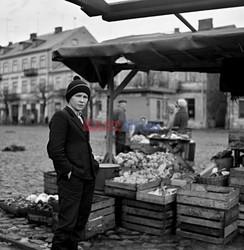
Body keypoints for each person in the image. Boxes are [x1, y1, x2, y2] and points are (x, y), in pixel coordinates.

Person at [47, 76, 99, 250]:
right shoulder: (61, 117)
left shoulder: (81, 118)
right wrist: (69, 170)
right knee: (67, 223)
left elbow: (83, 145)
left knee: (79, 222)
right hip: (72, 178)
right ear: (69, 97)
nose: (82, 100)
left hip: (87, 176)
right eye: (78, 96)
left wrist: (93, 163)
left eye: (85, 97)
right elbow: (54, 149)